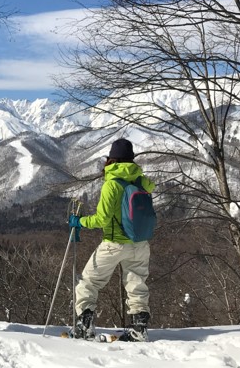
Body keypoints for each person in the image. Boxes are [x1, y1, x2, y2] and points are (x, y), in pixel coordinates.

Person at [68, 138, 155, 341]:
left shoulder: (112, 184)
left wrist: (79, 222)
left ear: (111, 160)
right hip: (140, 242)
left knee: (89, 281)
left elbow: (101, 219)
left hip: (114, 242)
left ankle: (85, 326)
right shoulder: (141, 181)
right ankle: (139, 330)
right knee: (137, 284)